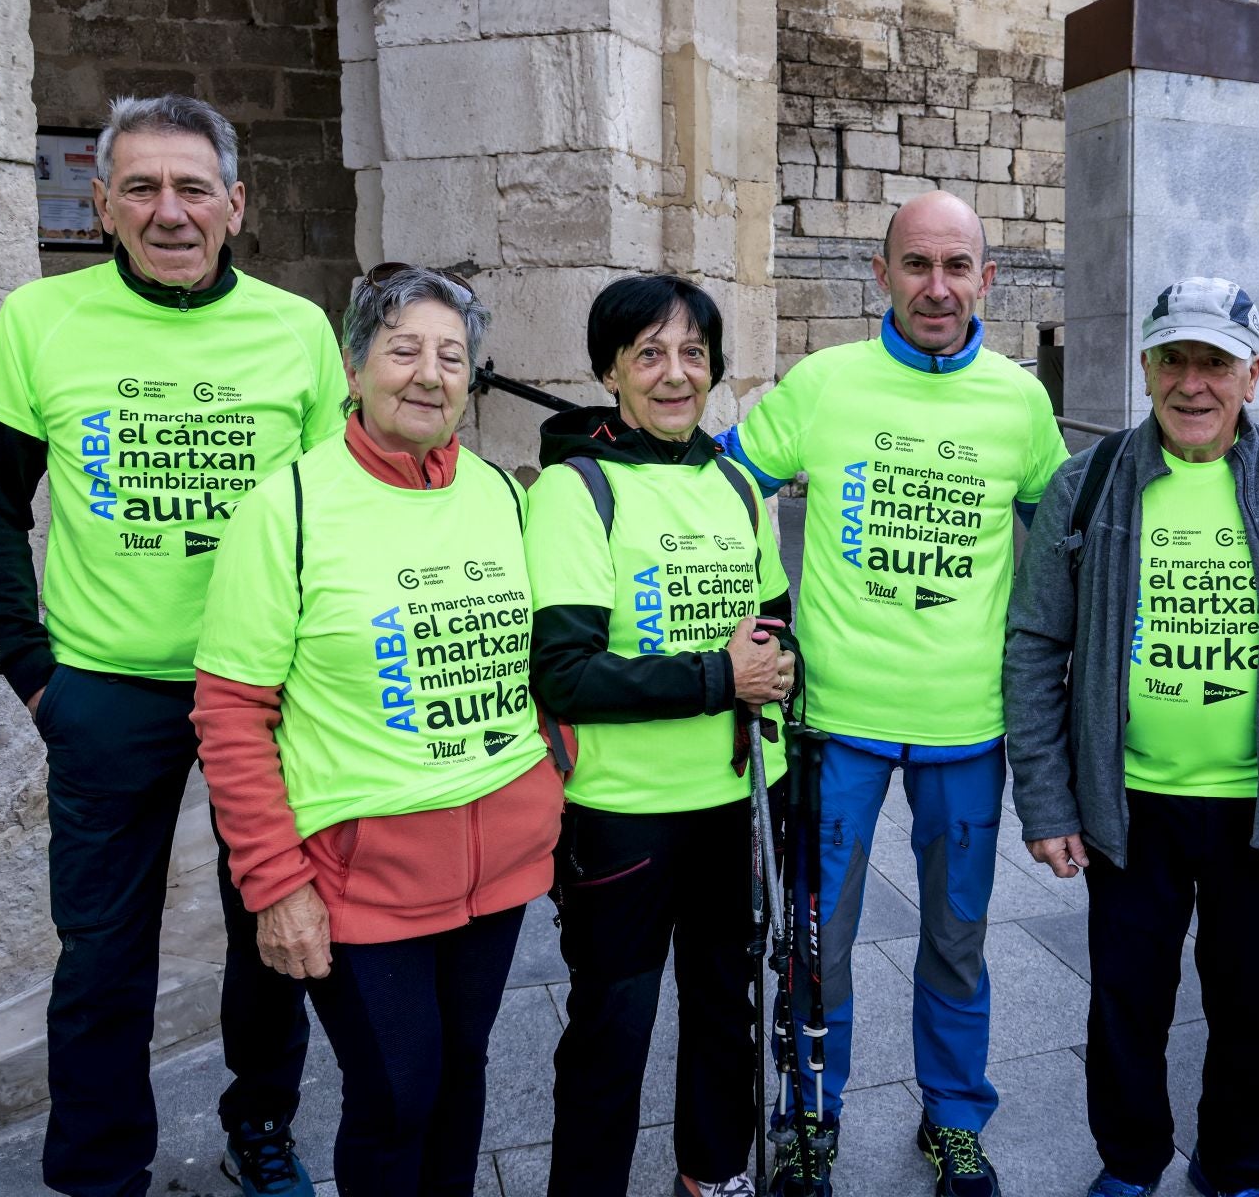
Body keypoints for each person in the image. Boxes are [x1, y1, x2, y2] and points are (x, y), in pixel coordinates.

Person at [0, 93, 345, 1197]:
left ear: (235, 204)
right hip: (106, 690)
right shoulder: (42, 319)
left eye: (192, 188)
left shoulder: (297, 330)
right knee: (103, 954)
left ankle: (260, 1124)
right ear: (102, 205)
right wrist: (31, 668)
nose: (171, 211)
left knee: (272, 927)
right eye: (142, 188)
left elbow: (334, 512)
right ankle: (98, 1170)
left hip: (267, 690)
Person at [720, 190, 1070, 1197]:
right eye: (917, 264)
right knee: (816, 944)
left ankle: (953, 1117)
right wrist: (752, 617)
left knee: (957, 943)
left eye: (957, 266)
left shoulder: (1019, 403)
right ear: (881, 273)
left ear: (987, 280)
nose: (937, 287)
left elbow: (1062, 541)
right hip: (836, 727)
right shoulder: (824, 384)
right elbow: (721, 492)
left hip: (967, 730)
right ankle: (809, 1117)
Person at [190, 264, 561, 1196]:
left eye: (452, 356)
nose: (429, 374)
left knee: (462, 1075)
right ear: (354, 369)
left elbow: (540, 664)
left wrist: (552, 782)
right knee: (397, 1093)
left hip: (498, 864)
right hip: (364, 874)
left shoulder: (501, 495)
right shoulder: (287, 508)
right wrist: (275, 884)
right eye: (403, 351)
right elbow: (232, 714)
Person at [1004, 276, 1259, 1197]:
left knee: (1255, 1009)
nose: (1193, 383)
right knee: (1128, 1004)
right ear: (1146, 367)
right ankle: (1131, 1161)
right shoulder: (1088, 485)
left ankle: (1233, 1165)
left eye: (1216, 362)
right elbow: (1034, 644)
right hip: (1129, 805)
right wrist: (1047, 801)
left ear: (1253, 373)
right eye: (1174, 359)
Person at [524, 274, 798, 1197]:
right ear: (610, 372)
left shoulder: (734, 483)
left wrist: (780, 667)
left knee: (725, 1006)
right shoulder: (576, 490)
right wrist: (720, 677)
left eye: (693, 353)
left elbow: (773, 626)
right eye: (649, 354)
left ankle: (712, 1173)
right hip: (624, 815)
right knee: (615, 1023)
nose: (675, 374)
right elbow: (565, 674)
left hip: (736, 799)